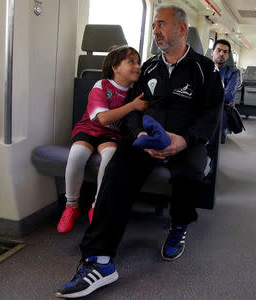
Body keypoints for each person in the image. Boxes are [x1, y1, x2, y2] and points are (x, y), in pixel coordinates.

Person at [55, 5, 223, 298]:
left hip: (186, 141)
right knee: (117, 169)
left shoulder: (205, 69)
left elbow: (211, 114)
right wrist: (141, 134)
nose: (155, 30)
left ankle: (179, 224)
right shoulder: (149, 68)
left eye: (161, 24)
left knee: (190, 173)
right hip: (148, 139)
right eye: (154, 25)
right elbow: (132, 112)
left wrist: (182, 140)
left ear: (181, 30)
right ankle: (100, 261)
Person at [57, 46, 148, 233]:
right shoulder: (102, 85)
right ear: (115, 67)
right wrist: (132, 106)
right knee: (77, 154)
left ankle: (98, 205)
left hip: (112, 135)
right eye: (131, 61)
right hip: (89, 129)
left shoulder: (135, 91)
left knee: (111, 156)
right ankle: (71, 205)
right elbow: (103, 118)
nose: (137, 66)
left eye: (138, 62)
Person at [210, 39, 240, 144]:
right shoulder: (202, 69)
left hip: (220, 109)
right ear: (212, 52)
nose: (222, 54)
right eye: (218, 50)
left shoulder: (233, 73)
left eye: (225, 52)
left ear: (228, 56)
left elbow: (227, 96)